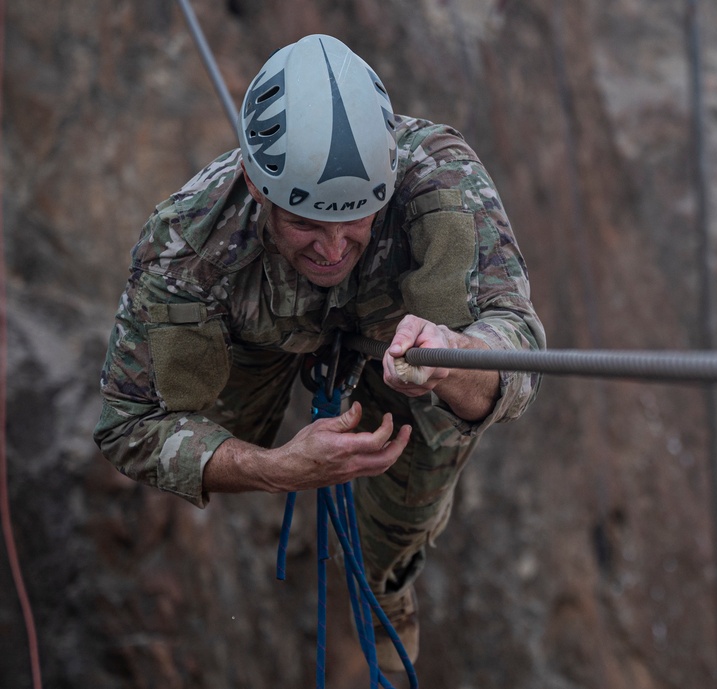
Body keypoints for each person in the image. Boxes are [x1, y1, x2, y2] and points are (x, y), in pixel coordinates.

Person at [94, 34, 545, 672]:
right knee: (214, 432)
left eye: (356, 218)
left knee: (394, 526)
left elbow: (519, 344)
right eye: (305, 222)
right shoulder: (189, 241)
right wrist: (273, 467)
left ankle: (381, 604)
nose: (332, 248)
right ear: (255, 183)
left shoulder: (439, 183)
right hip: (258, 332)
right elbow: (127, 425)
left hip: (407, 348)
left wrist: (458, 353)